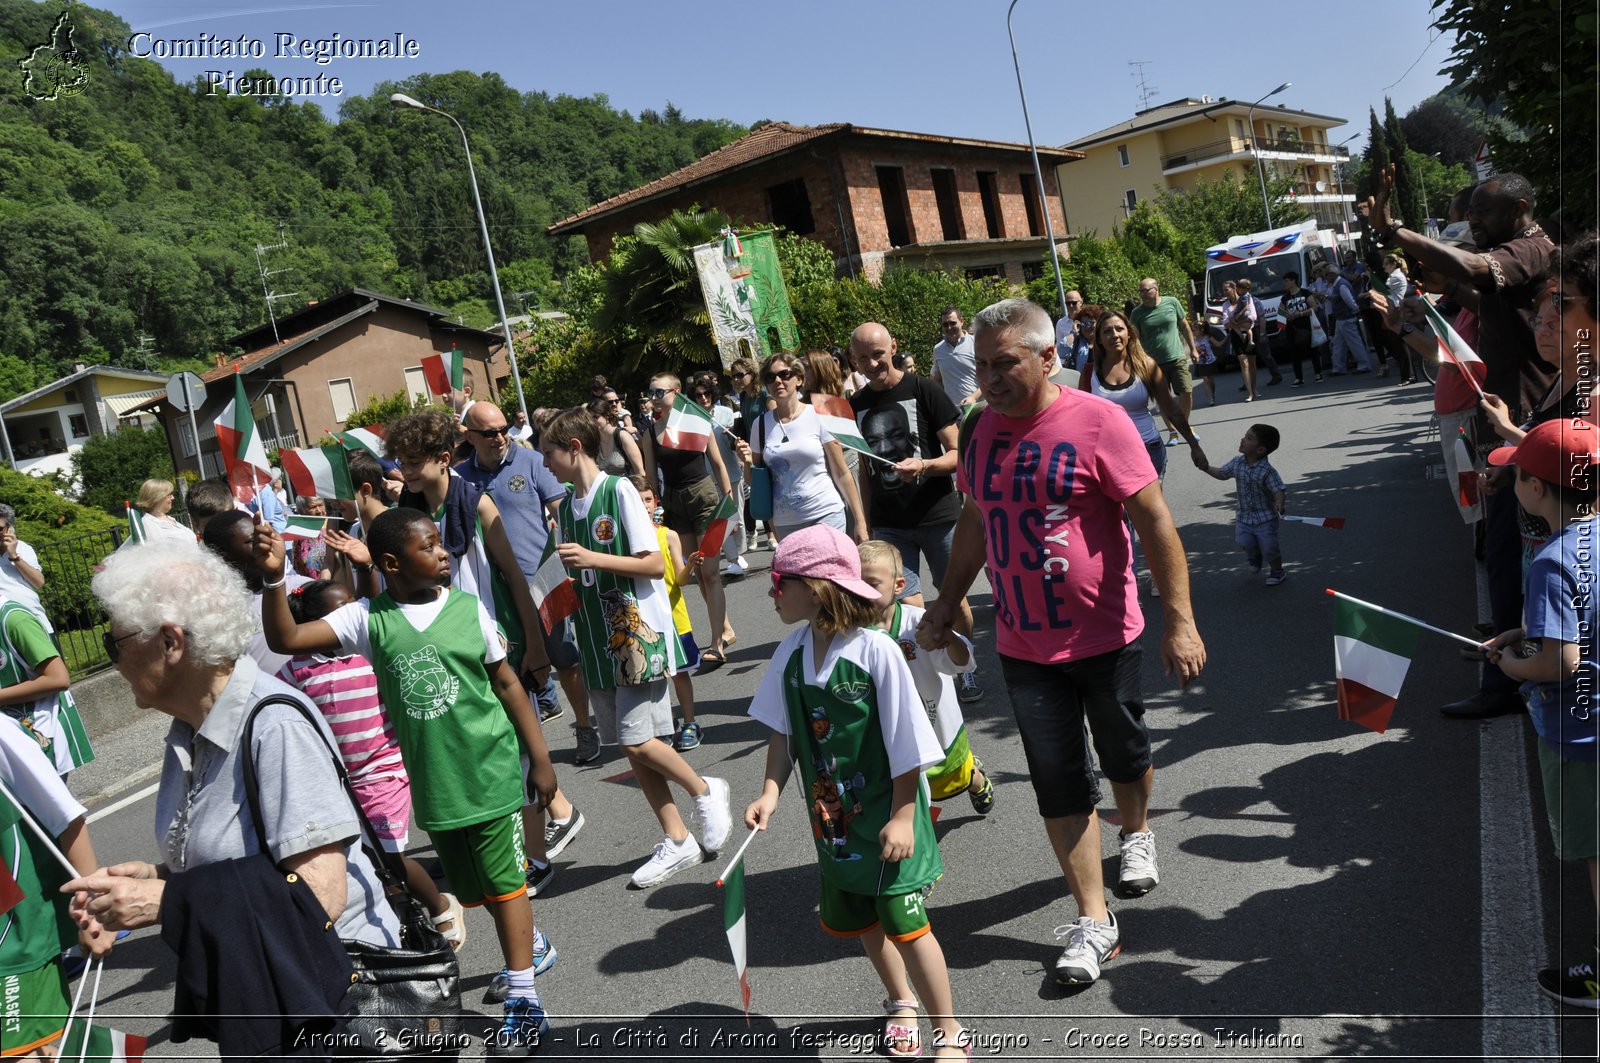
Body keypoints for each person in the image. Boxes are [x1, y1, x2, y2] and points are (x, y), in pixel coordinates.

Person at [919, 298, 1206, 988]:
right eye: (982, 365)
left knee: (1124, 751)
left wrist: (1182, 620)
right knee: (1059, 781)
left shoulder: (1100, 420)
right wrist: (948, 603)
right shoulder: (980, 431)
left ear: (1048, 357)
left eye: (1004, 363)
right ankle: (1093, 918)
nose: (988, 378)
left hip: (1106, 635)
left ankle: (1135, 830)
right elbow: (975, 525)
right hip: (1023, 645)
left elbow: (1156, 523)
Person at [67, 543, 405, 1057]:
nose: (114, 660)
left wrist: (167, 901)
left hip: (336, 1003)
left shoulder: (274, 723)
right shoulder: (191, 727)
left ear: (171, 643)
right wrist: (160, 876)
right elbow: (248, 859)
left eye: (116, 643)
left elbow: (319, 897)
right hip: (274, 994)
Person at [257, 509, 557, 1052]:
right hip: (437, 787)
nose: (443, 552)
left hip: (489, 770)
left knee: (508, 885)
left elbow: (509, 685)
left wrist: (540, 758)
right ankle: (530, 943)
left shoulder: (469, 610)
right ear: (392, 563)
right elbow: (284, 638)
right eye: (430, 546)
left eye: (441, 543)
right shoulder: (368, 620)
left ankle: (525, 1000)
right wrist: (275, 577)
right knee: (478, 892)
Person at [743, 524, 968, 1060]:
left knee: (907, 923)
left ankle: (951, 1033)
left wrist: (903, 814)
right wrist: (770, 792)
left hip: (891, 816)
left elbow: (908, 741)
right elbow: (783, 731)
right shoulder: (792, 652)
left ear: (817, 587)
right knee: (866, 918)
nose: (773, 591)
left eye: (780, 580)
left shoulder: (876, 652)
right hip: (834, 824)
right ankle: (901, 1002)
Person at [1364, 168, 1557, 718]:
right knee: (1505, 555)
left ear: (1520, 208)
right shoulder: (1514, 264)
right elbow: (1469, 285)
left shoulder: (1533, 250)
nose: (1471, 220)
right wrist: (1396, 253)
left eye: (1482, 212)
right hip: (1505, 429)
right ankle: (1513, 654)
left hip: (1528, 430)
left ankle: (1519, 681)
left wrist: (1398, 229)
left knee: (1527, 555)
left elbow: (1473, 268)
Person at [538, 407, 733, 888]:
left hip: (634, 633)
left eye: (549, 454)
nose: (545, 464)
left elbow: (651, 564)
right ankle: (677, 838)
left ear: (575, 448)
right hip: (595, 638)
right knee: (636, 750)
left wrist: (591, 557)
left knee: (634, 739)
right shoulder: (567, 506)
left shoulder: (618, 490)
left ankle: (705, 788)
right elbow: (572, 574)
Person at [1481, 417, 1600, 1009]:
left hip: (1583, 734)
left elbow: (1560, 663)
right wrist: (1525, 631)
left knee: (1598, 851)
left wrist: (1513, 667)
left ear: (1535, 488)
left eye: (1519, 472)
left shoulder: (1553, 560)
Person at [278, 579, 462, 948]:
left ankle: (440, 906)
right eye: (339, 610)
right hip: (337, 782)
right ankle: (393, 925)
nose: (352, 612)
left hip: (384, 770)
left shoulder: (369, 653)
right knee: (361, 859)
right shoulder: (293, 672)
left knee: (389, 857)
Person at [848, 322, 983, 703]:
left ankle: (966, 665)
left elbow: (959, 455)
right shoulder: (855, 406)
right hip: (890, 526)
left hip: (937, 517)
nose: (872, 363)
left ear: (893, 346)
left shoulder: (924, 389)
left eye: (877, 354)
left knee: (953, 602)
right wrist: (865, 523)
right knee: (907, 605)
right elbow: (863, 468)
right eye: (862, 358)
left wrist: (923, 466)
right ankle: (930, 678)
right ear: (853, 360)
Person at [0, 714, 111, 1061]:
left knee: (26, 1053)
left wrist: (97, 908)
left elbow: (66, 816)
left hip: (17, 944)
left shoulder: (2, 733)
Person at [858, 539, 994, 816]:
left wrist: (946, 639)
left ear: (898, 587)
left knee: (949, 777)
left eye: (871, 584)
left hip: (937, 725)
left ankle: (975, 778)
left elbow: (965, 661)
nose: (861, 592)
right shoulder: (854, 633)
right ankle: (915, 834)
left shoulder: (919, 622)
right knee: (902, 785)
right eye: (855, 583)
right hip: (889, 728)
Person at [637, 372, 737, 671]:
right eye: (651, 393)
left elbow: (717, 463)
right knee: (697, 572)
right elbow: (652, 477)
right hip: (674, 501)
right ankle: (725, 628)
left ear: (675, 392)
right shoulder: (650, 433)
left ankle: (717, 643)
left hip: (704, 496)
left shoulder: (695, 421)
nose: (654, 398)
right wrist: (651, 509)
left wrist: (728, 500)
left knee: (711, 572)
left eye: (659, 392)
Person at [733, 352, 867, 544]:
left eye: (784, 375)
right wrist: (747, 463)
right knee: (800, 576)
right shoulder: (760, 425)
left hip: (825, 512)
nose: (778, 381)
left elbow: (841, 473)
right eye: (770, 378)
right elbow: (754, 480)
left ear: (799, 379)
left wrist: (860, 522)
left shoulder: (820, 415)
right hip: (785, 522)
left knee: (828, 574)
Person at [1078, 309, 1206, 481]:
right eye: (1107, 331)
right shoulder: (1089, 373)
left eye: (1119, 329)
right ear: (1099, 339)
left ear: (1129, 334)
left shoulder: (1146, 365)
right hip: (1108, 455)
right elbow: (1082, 420)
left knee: (1150, 507)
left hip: (1148, 449)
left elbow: (1171, 409)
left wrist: (1194, 445)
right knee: (1120, 508)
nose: (1114, 335)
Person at [634, 477, 705, 752]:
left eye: (648, 499)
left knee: (679, 673)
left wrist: (691, 566)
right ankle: (662, 726)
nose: (643, 505)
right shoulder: (625, 539)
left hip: (674, 618)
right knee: (653, 675)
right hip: (644, 620)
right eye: (637, 500)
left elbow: (681, 578)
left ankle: (690, 722)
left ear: (656, 502)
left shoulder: (668, 535)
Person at [0, 585, 93, 778]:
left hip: (41, 734)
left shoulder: (16, 621)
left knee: (41, 808)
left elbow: (57, 679)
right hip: (11, 741)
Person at [1197, 424, 1289, 586]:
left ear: (1260, 450)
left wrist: (1279, 502)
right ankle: (1255, 557)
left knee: (1269, 547)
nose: (1242, 439)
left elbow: (1278, 489)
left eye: (1248, 438)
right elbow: (1222, 474)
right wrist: (1206, 468)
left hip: (1265, 519)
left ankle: (1277, 571)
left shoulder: (1267, 470)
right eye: (1245, 436)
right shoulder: (1237, 463)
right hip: (1244, 517)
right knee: (1244, 542)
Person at [1129, 278, 1200, 443]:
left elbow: (1184, 326)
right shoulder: (1137, 313)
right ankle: (1173, 431)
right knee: (1163, 399)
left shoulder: (1172, 303)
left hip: (1177, 357)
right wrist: (1140, 359)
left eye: (1146, 290)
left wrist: (1193, 348)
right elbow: (1135, 339)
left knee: (1187, 392)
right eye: (1141, 291)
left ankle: (1184, 425)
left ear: (1156, 289)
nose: (1143, 294)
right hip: (1154, 364)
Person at [0, 504, 50, 638]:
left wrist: (14, 556)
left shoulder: (23, 548)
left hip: (33, 621)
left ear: (9, 529)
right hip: (4, 632)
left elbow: (39, 582)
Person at [1320, 262, 1374, 376]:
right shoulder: (1337, 284)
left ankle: (1364, 365)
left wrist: (1354, 311)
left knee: (1354, 343)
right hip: (1341, 318)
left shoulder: (1341, 285)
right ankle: (1338, 367)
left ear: (1332, 275)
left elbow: (1350, 301)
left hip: (1346, 318)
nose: (1325, 278)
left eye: (1326, 276)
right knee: (1338, 344)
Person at [1276, 272, 1324, 387]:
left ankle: (1318, 373)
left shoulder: (1305, 293)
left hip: (1306, 325)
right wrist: (1286, 316)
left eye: (1287, 281)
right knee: (1294, 353)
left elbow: (1314, 307)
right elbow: (1281, 311)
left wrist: (1301, 313)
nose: (1285, 283)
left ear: (1293, 281)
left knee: (1312, 350)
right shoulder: (1285, 297)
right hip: (1292, 328)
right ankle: (1298, 378)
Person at [931, 306, 980, 408]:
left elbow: (988, 378)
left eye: (952, 323)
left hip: (978, 409)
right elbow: (937, 379)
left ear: (961, 321)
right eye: (945, 324)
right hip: (952, 412)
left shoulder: (976, 343)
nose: (949, 328)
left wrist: (974, 397)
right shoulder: (938, 350)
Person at [1220, 279, 1261, 402]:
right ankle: (1249, 393)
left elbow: (1252, 317)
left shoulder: (1246, 299)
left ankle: (1254, 389)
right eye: (1224, 290)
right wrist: (1237, 324)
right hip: (1236, 336)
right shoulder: (1225, 305)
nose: (1225, 292)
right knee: (1244, 363)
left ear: (1234, 288)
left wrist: (1236, 322)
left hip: (1249, 334)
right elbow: (1226, 324)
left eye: (1227, 289)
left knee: (1252, 363)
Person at [586, 398, 645, 478]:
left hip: (628, 487)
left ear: (606, 416)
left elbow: (640, 472)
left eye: (595, 417)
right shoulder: (596, 442)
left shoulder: (622, 435)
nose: (591, 422)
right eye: (589, 419)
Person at [132, 479, 198, 545]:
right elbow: (158, 551)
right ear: (157, 497)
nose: (173, 497)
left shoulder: (169, 519)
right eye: (169, 494)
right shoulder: (149, 524)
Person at [289, 495, 333, 581]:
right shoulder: (298, 531)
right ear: (302, 511)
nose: (319, 511)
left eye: (320, 505)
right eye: (313, 507)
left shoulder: (333, 524)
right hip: (310, 583)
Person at [1053, 289, 1085, 364]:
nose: (1071, 306)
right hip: (1071, 364)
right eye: (1068, 303)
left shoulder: (1089, 320)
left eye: (1074, 303)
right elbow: (1060, 348)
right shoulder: (1061, 323)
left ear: (1081, 302)